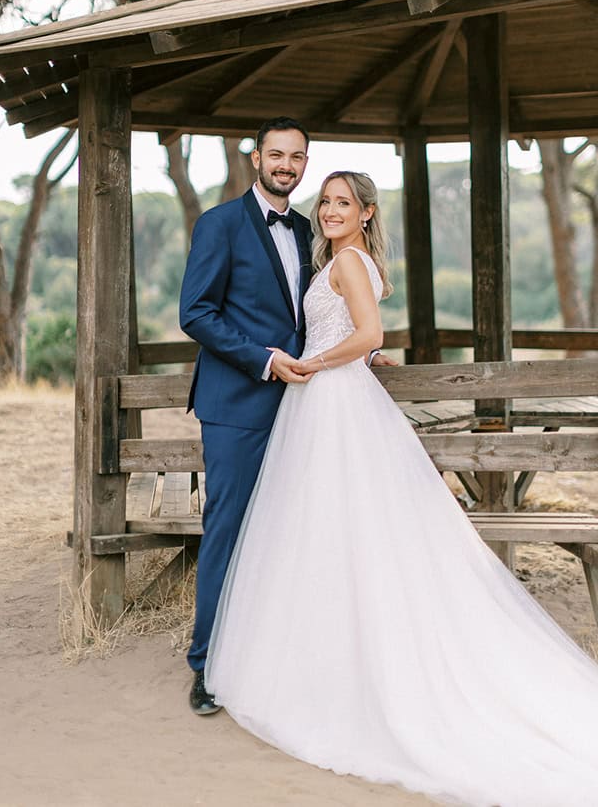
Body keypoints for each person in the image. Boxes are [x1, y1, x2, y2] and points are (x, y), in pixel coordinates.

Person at [205, 170, 598, 807]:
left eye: (342, 203)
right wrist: (348, 356)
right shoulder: (337, 258)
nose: (329, 211)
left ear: (365, 213)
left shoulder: (350, 261)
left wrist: (320, 361)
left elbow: (368, 334)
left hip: (332, 401)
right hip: (326, 402)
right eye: (325, 201)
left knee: (344, 532)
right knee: (328, 536)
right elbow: (358, 337)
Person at [179, 119, 393, 715]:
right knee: (231, 531)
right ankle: (207, 667)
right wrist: (266, 359)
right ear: (256, 158)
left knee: (294, 535)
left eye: (297, 157)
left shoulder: (310, 231)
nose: (287, 165)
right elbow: (195, 312)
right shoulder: (219, 224)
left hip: (307, 411)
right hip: (240, 405)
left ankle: (276, 658)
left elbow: (328, 311)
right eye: (276, 154)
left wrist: (367, 347)